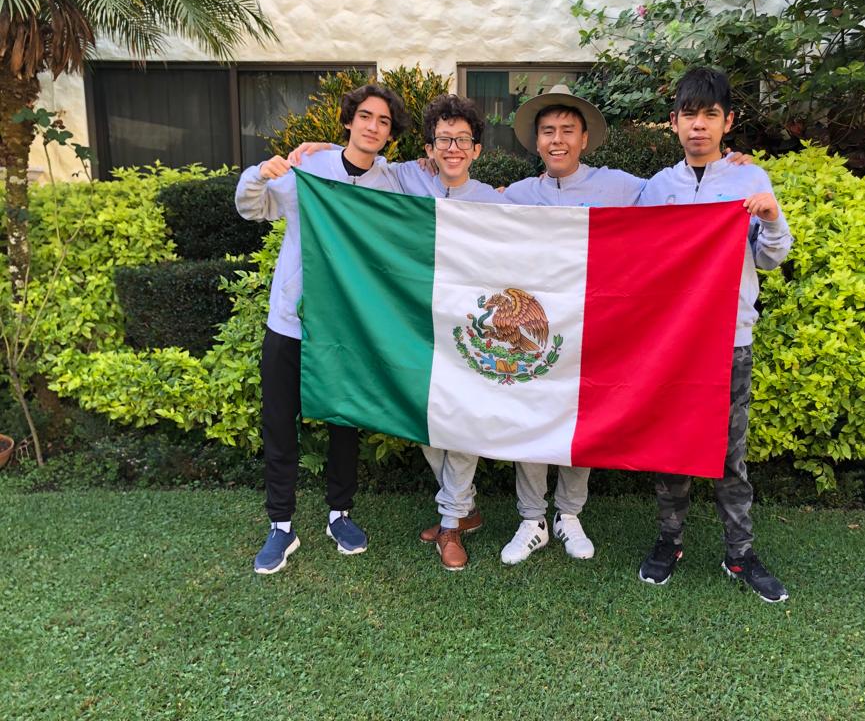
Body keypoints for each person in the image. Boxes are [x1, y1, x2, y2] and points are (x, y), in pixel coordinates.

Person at [287, 94, 508, 572]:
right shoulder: (407, 178)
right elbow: (361, 159)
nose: (452, 148)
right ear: (428, 149)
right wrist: (324, 148)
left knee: (462, 421)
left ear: (477, 149)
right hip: (417, 326)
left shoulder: (495, 201)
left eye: (462, 140)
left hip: (470, 333)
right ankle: (463, 508)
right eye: (443, 140)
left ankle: (451, 521)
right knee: (425, 419)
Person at [235, 84, 410, 574]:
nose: (373, 126)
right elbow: (252, 207)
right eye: (366, 116)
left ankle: (340, 514)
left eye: (384, 122)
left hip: (347, 326)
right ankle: (281, 525)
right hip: (291, 321)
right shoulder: (307, 169)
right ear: (349, 120)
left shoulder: (389, 182)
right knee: (279, 421)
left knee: (343, 421)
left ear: (390, 134)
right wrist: (260, 173)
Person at [635, 67, 792, 602]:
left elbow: (770, 257)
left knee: (730, 455)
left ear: (728, 121)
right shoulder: (658, 187)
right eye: (689, 115)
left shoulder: (751, 179)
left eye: (710, 115)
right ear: (674, 122)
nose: (698, 125)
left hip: (729, 340)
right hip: (672, 343)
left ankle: (739, 553)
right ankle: (669, 541)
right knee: (671, 449)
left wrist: (772, 217)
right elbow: (639, 257)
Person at [498, 85, 647, 565]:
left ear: (584, 139)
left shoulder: (623, 187)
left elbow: (680, 201)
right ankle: (531, 519)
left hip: (593, 328)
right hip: (536, 334)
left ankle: (569, 514)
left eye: (567, 130)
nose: (557, 140)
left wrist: (728, 167)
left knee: (583, 418)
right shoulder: (517, 195)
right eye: (548, 131)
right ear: (536, 141)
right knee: (531, 418)